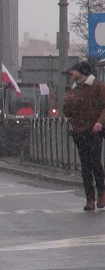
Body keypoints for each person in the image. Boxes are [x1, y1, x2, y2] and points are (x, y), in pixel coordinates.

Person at [62, 60, 105, 211]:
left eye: (73, 71)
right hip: (79, 131)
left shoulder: (98, 86)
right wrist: (67, 102)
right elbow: (67, 113)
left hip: (94, 130)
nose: (71, 73)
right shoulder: (74, 90)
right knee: (85, 166)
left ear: (82, 72)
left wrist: (100, 122)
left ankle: (101, 192)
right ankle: (90, 199)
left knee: (95, 163)